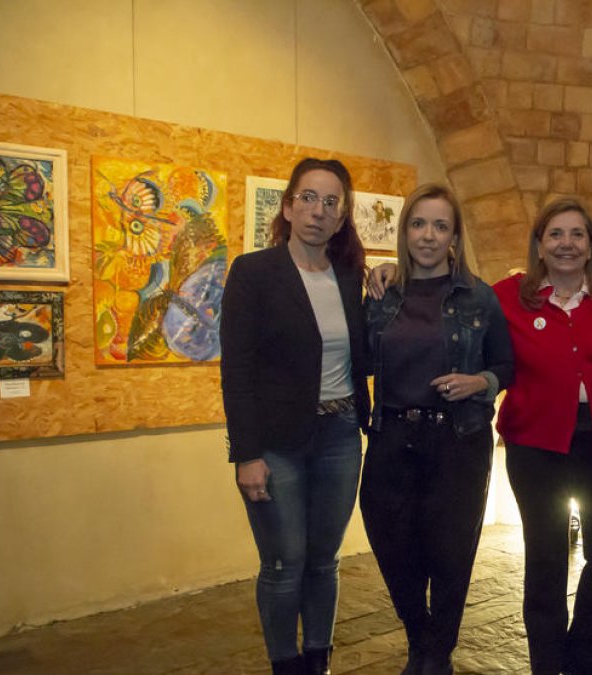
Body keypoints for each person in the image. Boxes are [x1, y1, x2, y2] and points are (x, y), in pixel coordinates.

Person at [220, 158, 370, 675]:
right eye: (308, 198)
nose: (318, 211)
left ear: (342, 215)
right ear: (288, 206)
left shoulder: (351, 276)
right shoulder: (254, 272)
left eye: (331, 202)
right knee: (285, 563)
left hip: (340, 435)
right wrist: (246, 455)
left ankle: (318, 660)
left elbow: (369, 348)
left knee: (325, 560)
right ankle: (285, 665)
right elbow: (236, 370)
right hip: (276, 443)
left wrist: (391, 279)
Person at [360, 183, 514, 675]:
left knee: (450, 556)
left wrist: (479, 382)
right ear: (404, 231)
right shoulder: (382, 294)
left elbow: (506, 365)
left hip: (457, 441)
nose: (428, 236)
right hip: (390, 438)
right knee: (393, 545)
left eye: (440, 226)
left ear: (454, 236)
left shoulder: (478, 297)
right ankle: (418, 636)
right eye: (418, 224)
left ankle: (435, 655)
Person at [494, 198, 592, 675]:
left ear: (591, 245)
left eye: (577, 234)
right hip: (535, 448)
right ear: (539, 245)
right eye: (556, 234)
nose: (566, 244)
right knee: (546, 561)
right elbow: (455, 295)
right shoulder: (509, 296)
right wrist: (388, 276)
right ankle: (548, 664)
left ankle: (587, 662)